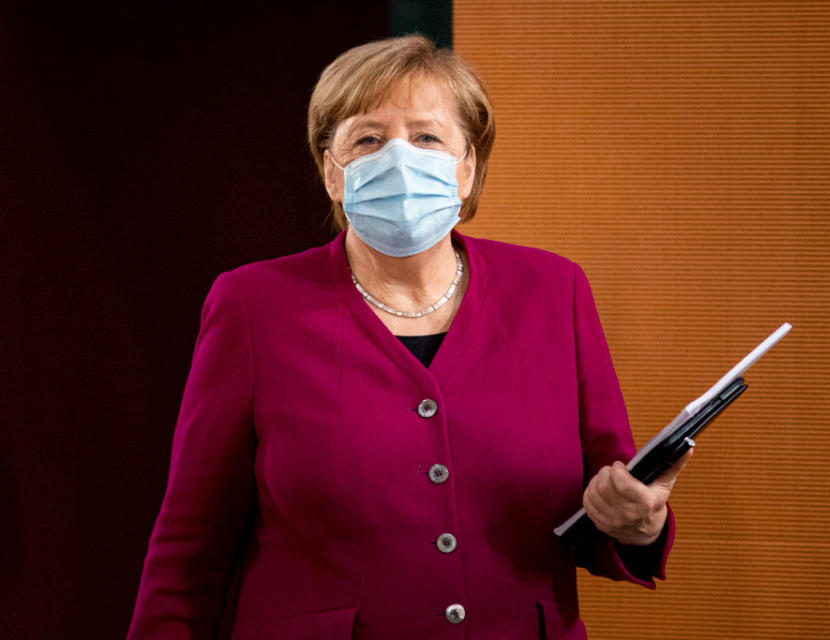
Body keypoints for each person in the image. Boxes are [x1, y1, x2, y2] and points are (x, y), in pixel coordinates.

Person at [127, 35, 691, 640]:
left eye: (426, 137)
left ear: (467, 167)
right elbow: (191, 547)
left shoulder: (556, 291)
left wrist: (640, 525)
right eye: (368, 139)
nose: (399, 158)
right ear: (331, 173)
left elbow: (611, 498)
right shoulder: (252, 305)